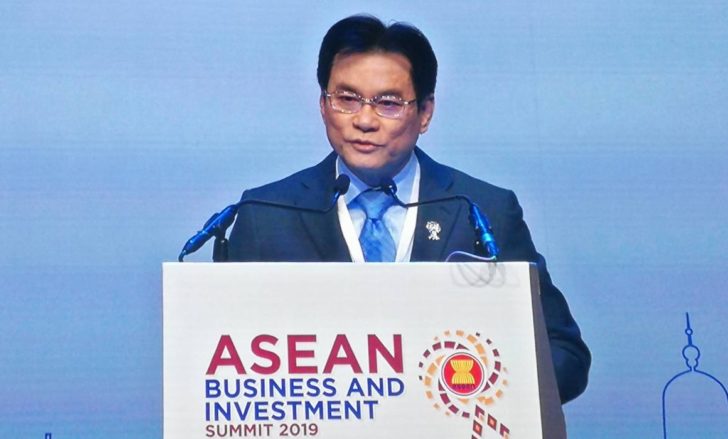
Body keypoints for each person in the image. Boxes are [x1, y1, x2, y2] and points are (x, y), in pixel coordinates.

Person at [228, 14, 590, 403]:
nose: (364, 120)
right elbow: (223, 353)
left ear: (426, 112)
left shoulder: (482, 210)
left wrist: (479, 390)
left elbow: (564, 353)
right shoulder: (266, 214)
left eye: (388, 103)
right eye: (346, 99)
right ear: (323, 105)